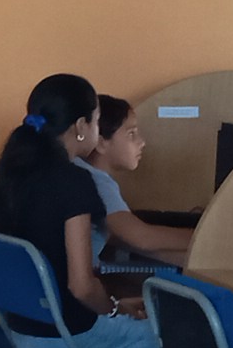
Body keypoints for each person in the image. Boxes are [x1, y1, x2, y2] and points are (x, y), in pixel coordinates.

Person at [0, 74, 171, 348]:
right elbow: (83, 288)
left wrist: (118, 306)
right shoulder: (73, 182)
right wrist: (116, 308)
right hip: (67, 338)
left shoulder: (10, 174)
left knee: (171, 338)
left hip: (25, 332)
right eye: (97, 120)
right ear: (81, 126)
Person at [83, 94, 194, 262]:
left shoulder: (79, 168)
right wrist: (207, 239)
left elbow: (119, 235)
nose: (142, 142)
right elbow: (142, 238)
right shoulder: (97, 182)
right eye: (131, 134)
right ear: (101, 143)